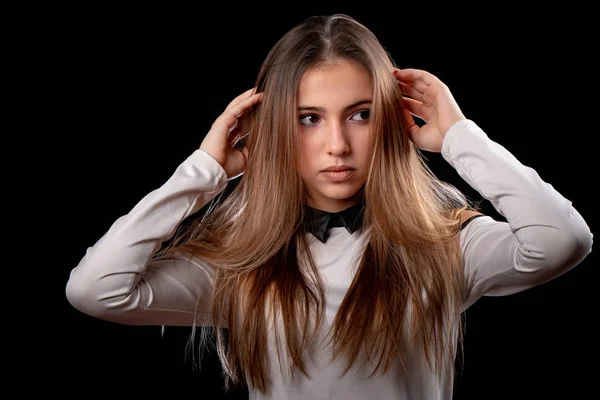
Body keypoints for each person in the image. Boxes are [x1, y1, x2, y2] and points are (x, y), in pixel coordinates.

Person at [65, 13, 593, 400]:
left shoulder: (446, 246)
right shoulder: (239, 264)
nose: (337, 144)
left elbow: (562, 240)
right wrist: (204, 171)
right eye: (308, 118)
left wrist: (458, 136)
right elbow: (96, 290)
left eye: (360, 115)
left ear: (390, 119)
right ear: (273, 129)